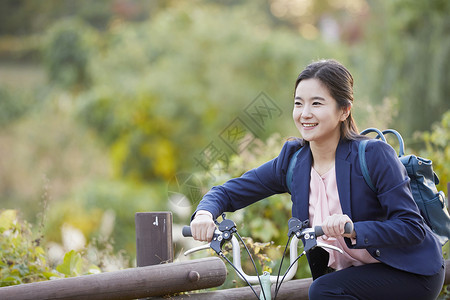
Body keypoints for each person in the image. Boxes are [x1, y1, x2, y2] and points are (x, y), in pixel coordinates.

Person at [189, 59, 444, 299]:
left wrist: (354, 229)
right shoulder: (292, 162)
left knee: (323, 291)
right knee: (326, 288)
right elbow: (229, 192)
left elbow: (411, 227)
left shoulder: (374, 155)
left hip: (410, 272)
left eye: (317, 104)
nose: (305, 114)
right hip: (354, 275)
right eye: (299, 103)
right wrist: (204, 214)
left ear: (344, 110)